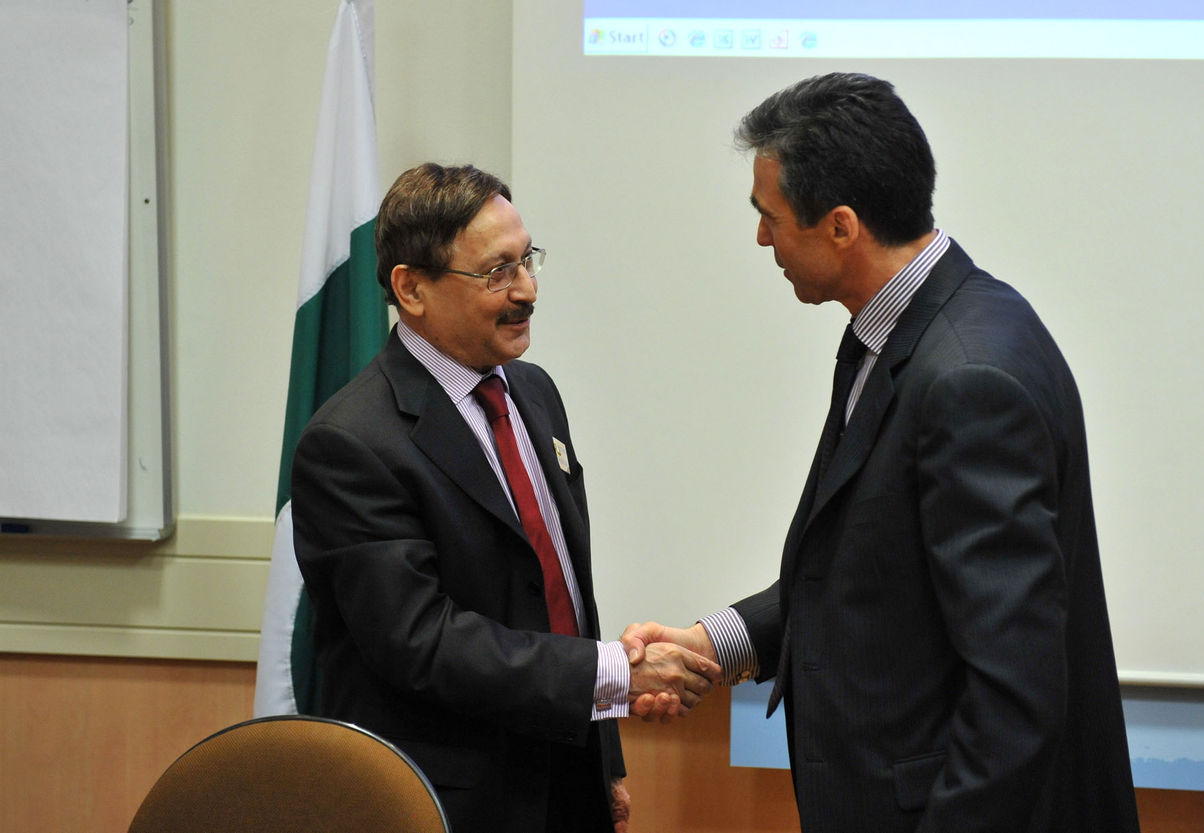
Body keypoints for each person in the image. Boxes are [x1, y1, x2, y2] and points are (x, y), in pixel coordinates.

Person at [624, 73, 1141, 832]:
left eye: (768, 217)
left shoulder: (968, 378)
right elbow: (865, 572)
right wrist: (711, 643)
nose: (761, 238)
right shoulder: (904, 333)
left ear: (840, 225)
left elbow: (1015, 694)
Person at [291, 162, 719, 833]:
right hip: (450, 804)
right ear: (412, 289)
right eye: (497, 271)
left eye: (528, 261)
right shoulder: (351, 443)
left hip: (566, 776)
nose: (527, 290)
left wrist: (604, 760)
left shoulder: (533, 392)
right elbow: (422, 641)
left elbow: (565, 590)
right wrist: (615, 673)